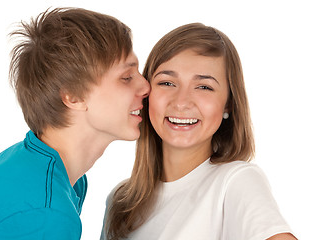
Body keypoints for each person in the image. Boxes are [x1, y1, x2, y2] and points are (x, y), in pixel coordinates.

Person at [0, 7, 149, 240]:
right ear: (73, 96)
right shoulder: (46, 211)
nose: (145, 87)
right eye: (126, 78)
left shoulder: (56, 175)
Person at [101, 23, 297, 240]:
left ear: (228, 104)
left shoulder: (234, 182)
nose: (182, 102)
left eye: (204, 87)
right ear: (146, 93)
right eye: (167, 82)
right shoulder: (120, 202)